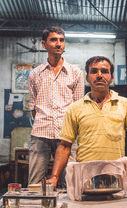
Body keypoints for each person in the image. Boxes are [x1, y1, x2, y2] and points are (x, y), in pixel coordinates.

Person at [48, 56, 127, 187]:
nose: (99, 75)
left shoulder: (125, 104)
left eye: (104, 71)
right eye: (94, 71)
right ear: (87, 78)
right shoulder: (74, 108)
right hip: (85, 179)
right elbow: (65, 146)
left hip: (115, 178)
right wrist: (54, 177)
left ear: (111, 78)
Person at [27, 26, 84, 185]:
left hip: (67, 136)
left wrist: (71, 133)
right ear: (44, 44)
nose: (58, 44)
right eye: (53, 40)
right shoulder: (34, 74)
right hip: (40, 133)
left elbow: (78, 108)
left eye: (61, 40)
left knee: (71, 182)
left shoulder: (75, 73)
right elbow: (33, 107)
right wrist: (44, 121)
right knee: (35, 183)